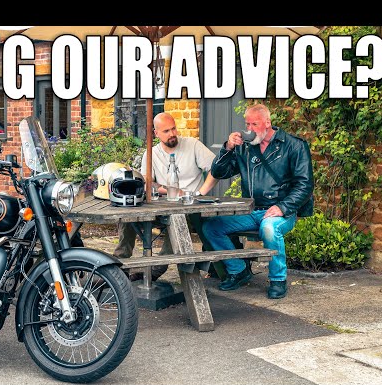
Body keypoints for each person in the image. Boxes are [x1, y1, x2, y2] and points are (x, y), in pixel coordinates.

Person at [201, 103, 314, 299]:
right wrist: (227, 148)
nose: (250, 129)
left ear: (268, 123)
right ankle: (239, 270)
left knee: (269, 228)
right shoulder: (244, 148)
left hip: (281, 211)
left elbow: (305, 185)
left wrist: (283, 207)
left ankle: (278, 279)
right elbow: (219, 172)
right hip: (252, 210)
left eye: (255, 124)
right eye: (247, 124)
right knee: (211, 228)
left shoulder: (294, 145)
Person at [113, 112, 219, 281]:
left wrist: (201, 192)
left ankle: (156, 269)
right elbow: (147, 183)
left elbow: (217, 168)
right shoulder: (152, 153)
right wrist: (167, 190)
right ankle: (118, 268)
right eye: (166, 131)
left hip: (189, 207)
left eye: (174, 129)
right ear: (156, 133)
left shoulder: (192, 145)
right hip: (161, 206)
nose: (172, 134)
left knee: (177, 219)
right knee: (127, 218)